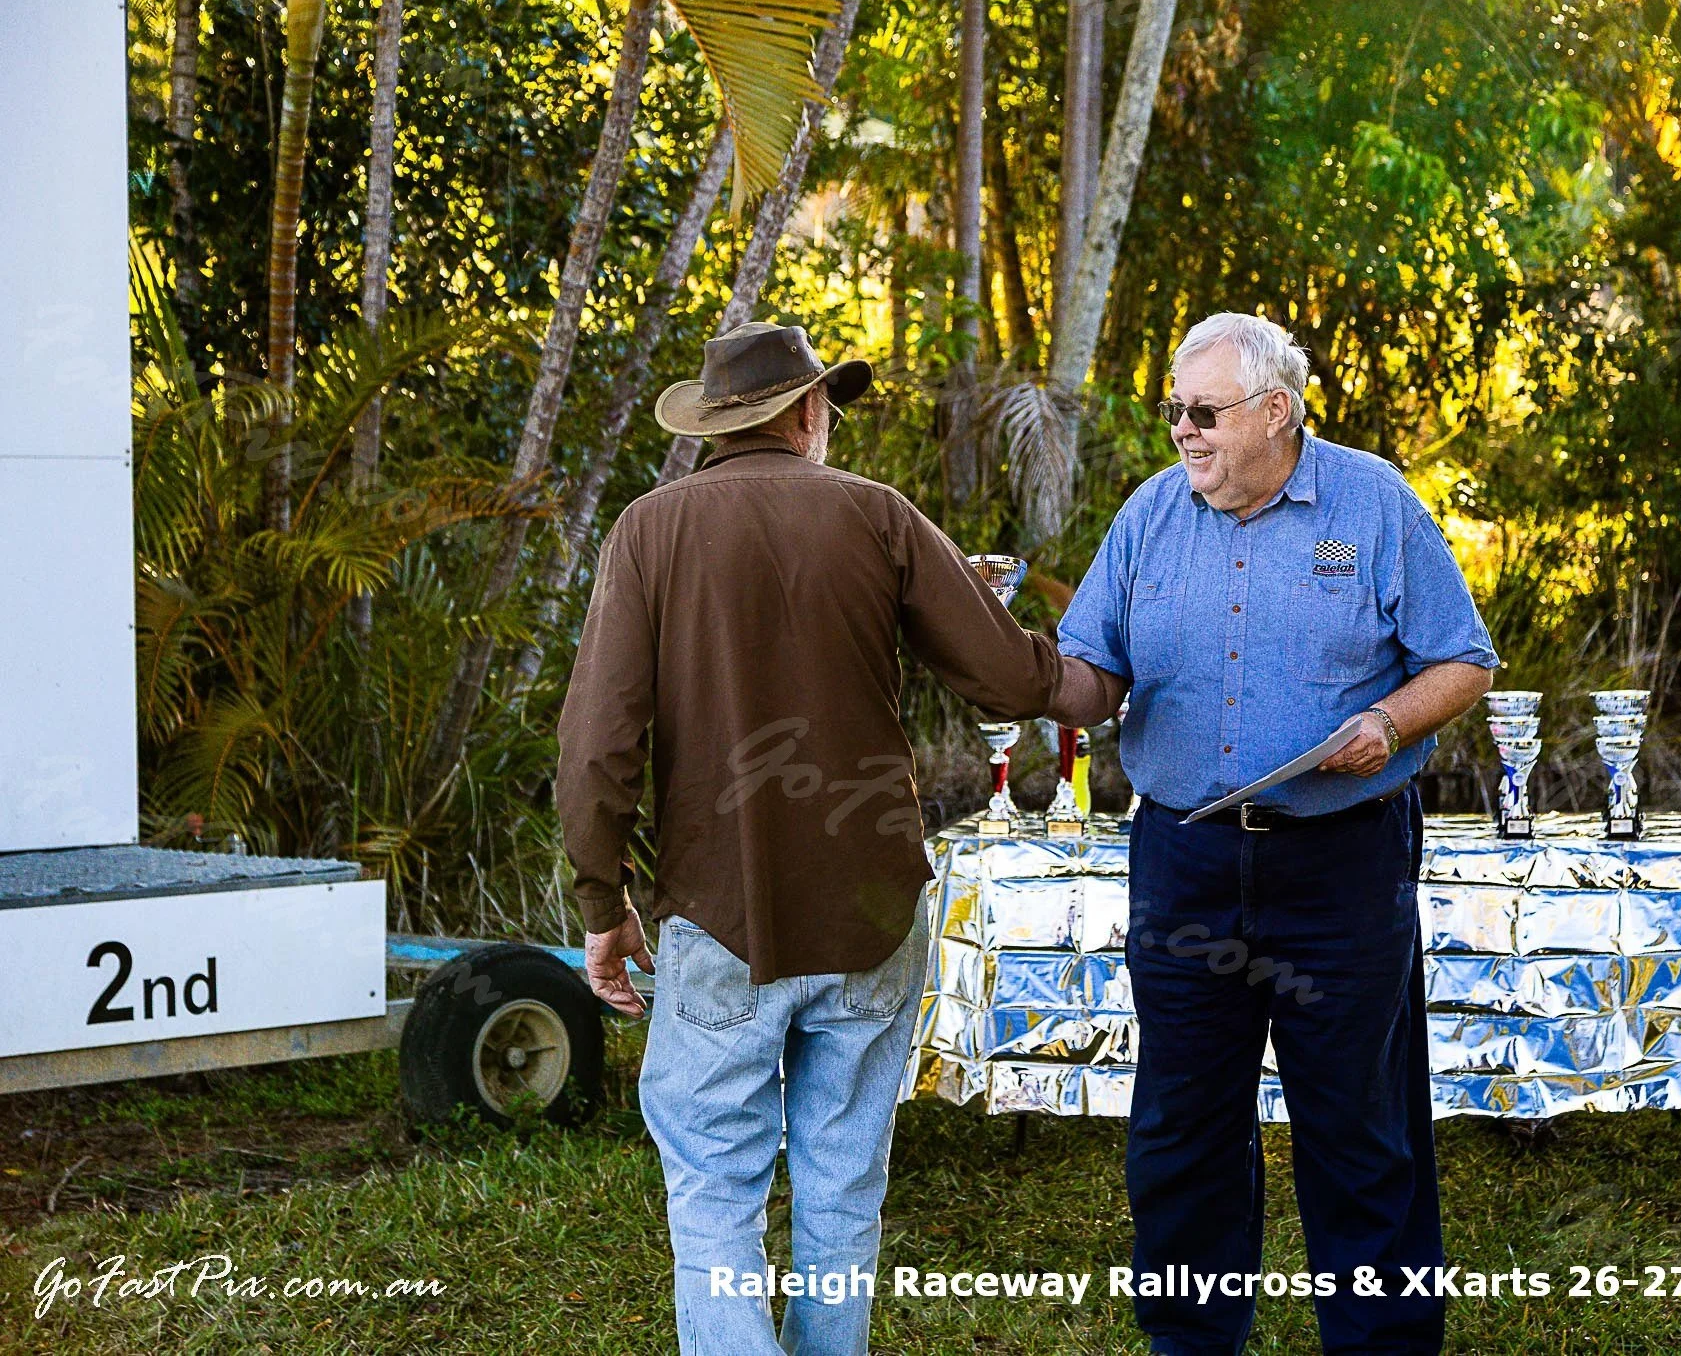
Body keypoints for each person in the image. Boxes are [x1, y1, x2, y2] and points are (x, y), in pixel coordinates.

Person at [554, 320, 1102, 1355]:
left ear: (719, 423)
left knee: (715, 1190)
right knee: (842, 1188)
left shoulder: (647, 530)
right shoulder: (878, 517)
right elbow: (1009, 678)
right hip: (871, 910)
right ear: (805, 413)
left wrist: (601, 904)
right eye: (828, 406)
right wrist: (1110, 679)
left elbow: (596, 748)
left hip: (719, 916)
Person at [1052, 311, 1499, 1354]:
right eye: (1174, 412)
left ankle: (1381, 1345)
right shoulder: (1149, 516)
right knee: (1180, 1129)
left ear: (1275, 412)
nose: (1183, 433)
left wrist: (1388, 722)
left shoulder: (1372, 505)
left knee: (1357, 1128)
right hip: (1184, 863)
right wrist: (1020, 669)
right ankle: (1191, 1344)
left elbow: (1461, 659)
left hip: (1336, 867)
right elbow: (1090, 668)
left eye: (1202, 413)